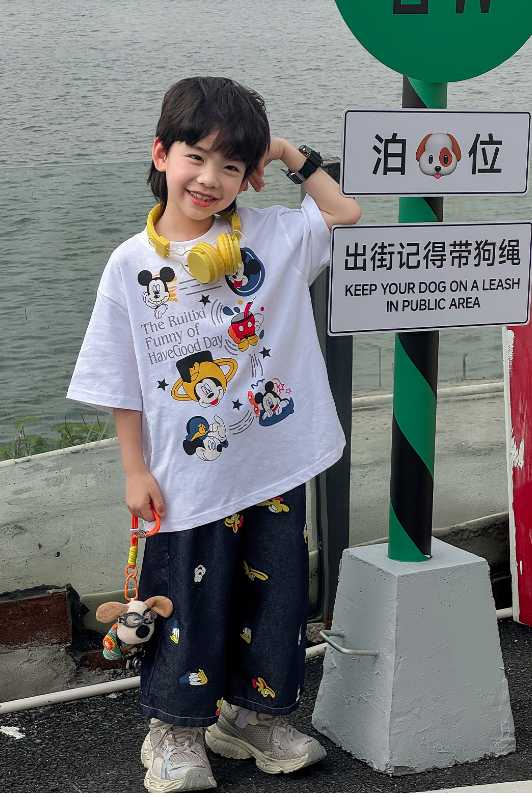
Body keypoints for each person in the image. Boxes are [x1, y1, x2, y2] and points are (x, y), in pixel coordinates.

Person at [67, 76, 361, 792]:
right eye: (195, 157)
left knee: (278, 598)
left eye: (231, 165)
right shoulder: (129, 265)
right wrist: (134, 470)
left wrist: (284, 152)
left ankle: (251, 718)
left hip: (273, 465)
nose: (209, 179)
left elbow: (343, 211)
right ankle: (173, 730)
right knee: (186, 605)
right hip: (187, 479)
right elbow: (120, 382)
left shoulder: (269, 236)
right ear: (161, 154)